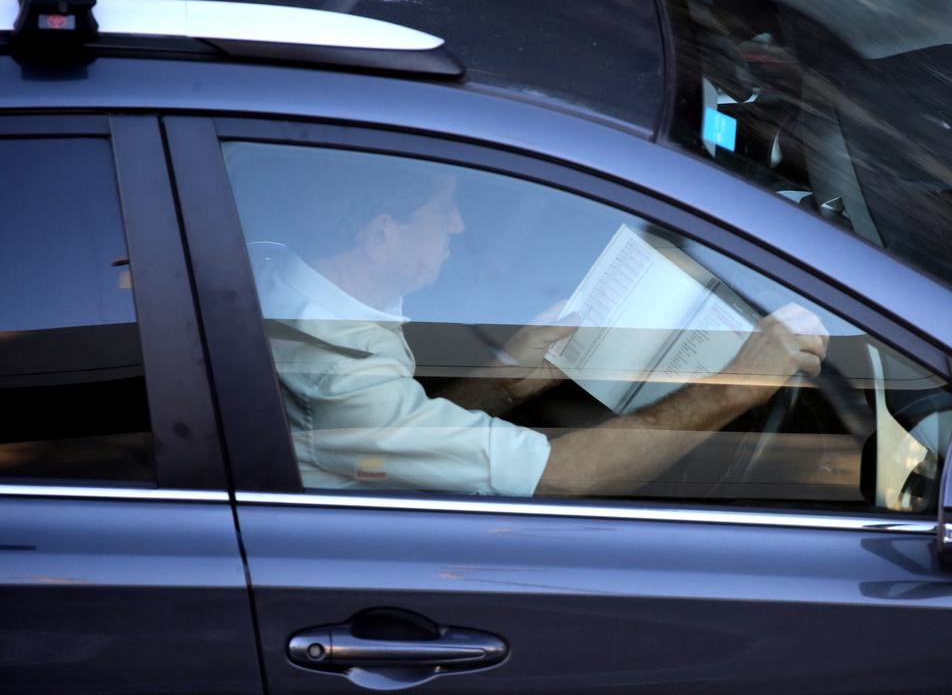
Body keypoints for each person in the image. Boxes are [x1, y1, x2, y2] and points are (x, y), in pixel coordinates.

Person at [237, 145, 828, 498]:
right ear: (380, 233)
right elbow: (560, 477)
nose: (459, 226)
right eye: (443, 209)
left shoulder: (273, 273)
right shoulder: (338, 367)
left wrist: (506, 378)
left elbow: (405, 427)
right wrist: (731, 388)